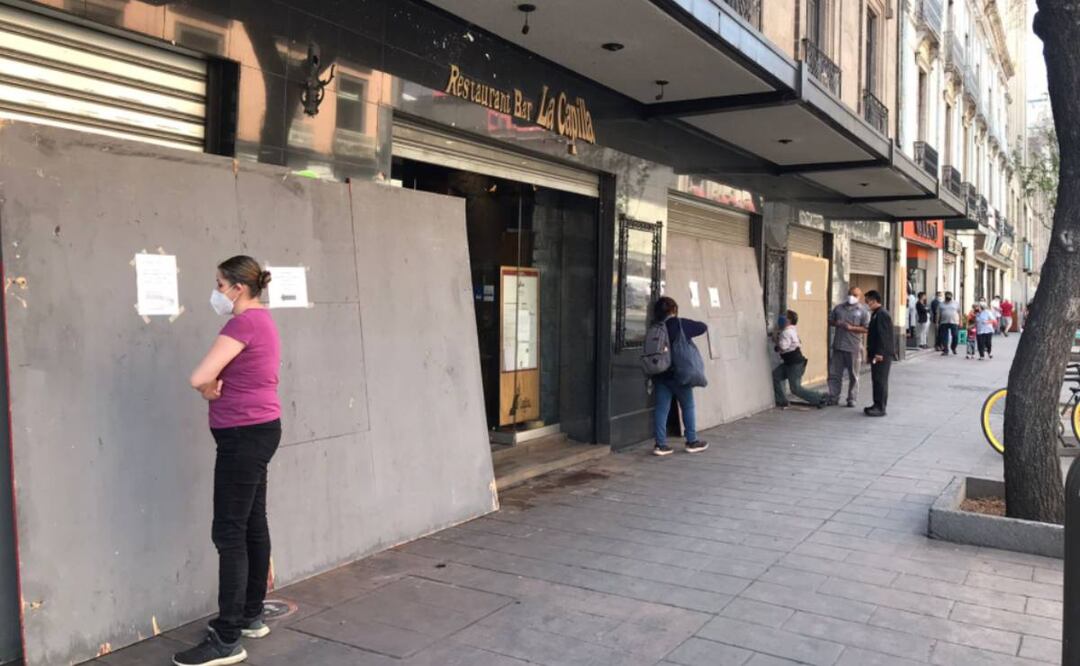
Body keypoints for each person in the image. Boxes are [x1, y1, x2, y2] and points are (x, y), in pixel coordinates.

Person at [174, 257, 282, 666]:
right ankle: (251, 615)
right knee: (253, 522)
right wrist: (213, 388)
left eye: (220, 285)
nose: (217, 292)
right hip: (261, 429)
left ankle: (227, 637)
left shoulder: (241, 324)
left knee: (229, 532)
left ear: (238, 287)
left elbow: (198, 376)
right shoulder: (265, 322)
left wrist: (207, 389)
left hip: (242, 437)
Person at [651, 296, 709, 456]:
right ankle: (692, 441)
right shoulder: (679, 324)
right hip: (679, 375)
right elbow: (703, 327)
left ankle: (660, 445)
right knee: (688, 406)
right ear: (674, 310)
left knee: (662, 409)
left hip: (661, 374)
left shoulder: (655, 327)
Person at [772, 309, 828, 409]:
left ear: (788, 320)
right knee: (776, 376)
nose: (781, 317)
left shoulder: (786, 332)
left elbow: (783, 347)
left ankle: (820, 398)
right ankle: (782, 401)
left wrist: (775, 340)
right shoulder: (791, 329)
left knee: (795, 389)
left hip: (794, 364)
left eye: (784, 316)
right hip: (790, 363)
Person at [827, 287, 871, 407]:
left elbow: (866, 328)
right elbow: (830, 320)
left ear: (859, 297)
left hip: (853, 347)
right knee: (835, 374)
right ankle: (833, 397)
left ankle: (852, 398)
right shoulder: (839, 308)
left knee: (854, 375)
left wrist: (852, 328)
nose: (851, 296)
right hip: (838, 346)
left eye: (855, 295)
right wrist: (837, 323)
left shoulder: (863, 311)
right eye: (850, 294)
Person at [864, 290, 894, 417]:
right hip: (876, 353)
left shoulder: (881, 314)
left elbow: (883, 335)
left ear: (874, 300)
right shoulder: (876, 313)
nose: (866, 303)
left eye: (867, 301)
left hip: (881, 354)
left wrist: (879, 353)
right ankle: (876, 403)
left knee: (880, 380)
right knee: (876, 379)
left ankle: (880, 407)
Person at [937, 291, 961, 356]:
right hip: (943, 322)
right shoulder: (941, 304)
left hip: (954, 322)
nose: (948, 297)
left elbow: (959, 313)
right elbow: (938, 313)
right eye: (947, 296)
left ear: (951, 296)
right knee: (944, 337)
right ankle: (945, 350)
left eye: (949, 296)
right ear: (945, 296)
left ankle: (953, 348)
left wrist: (960, 321)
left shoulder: (956, 303)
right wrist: (937, 322)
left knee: (955, 336)